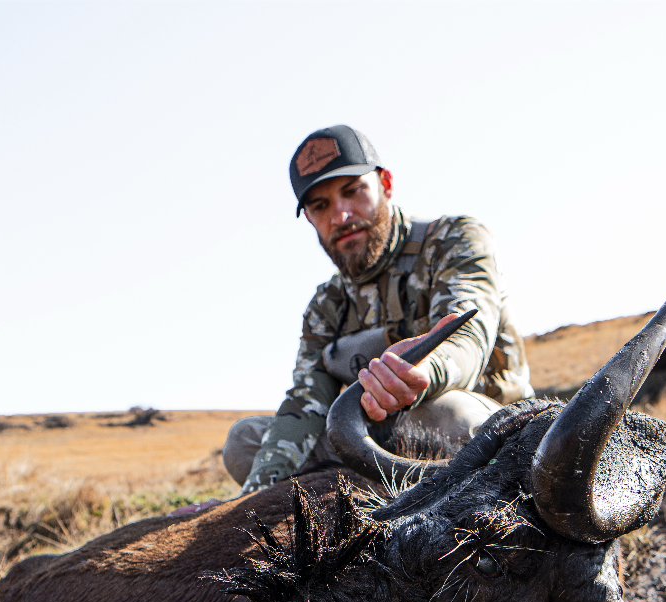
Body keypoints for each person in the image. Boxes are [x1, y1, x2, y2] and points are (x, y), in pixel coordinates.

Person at [225, 125, 532, 492]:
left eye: (352, 192)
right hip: (373, 439)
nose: (340, 216)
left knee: (444, 415)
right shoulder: (326, 306)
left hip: (478, 425)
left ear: (385, 184)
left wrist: (416, 377)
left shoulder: (454, 240)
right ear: (309, 218)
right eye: (320, 206)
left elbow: (468, 338)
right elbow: (307, 402)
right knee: (246, 442)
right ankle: (364, 510)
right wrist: (258, 488)